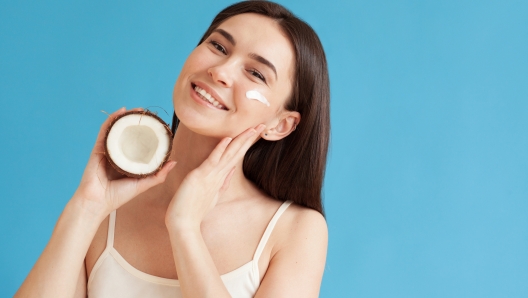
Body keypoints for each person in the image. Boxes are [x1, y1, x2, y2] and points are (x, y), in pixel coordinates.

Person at [15, 1, 330, 297]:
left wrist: (185, 227)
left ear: (281, 125)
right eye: (218, 46)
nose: (220, 71)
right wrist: (85, 208)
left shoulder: (295, 230)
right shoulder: (108, 208)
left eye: (256, 73)